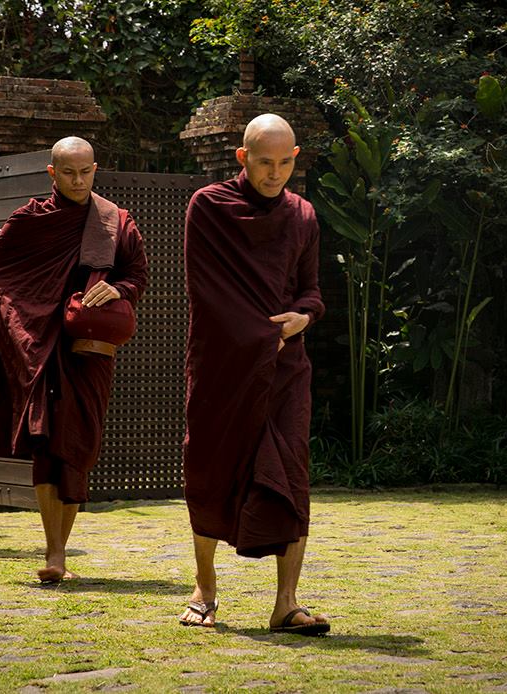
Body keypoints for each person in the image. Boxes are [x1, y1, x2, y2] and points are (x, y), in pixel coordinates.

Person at [0, 137, 148, 583]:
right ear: (52, 173)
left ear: (95, 169)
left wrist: (119, 290)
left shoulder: (115, 221)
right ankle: (55, 554)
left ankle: (60, 547)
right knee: (48, 447)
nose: (77, 180)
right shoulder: (32, 220)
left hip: (87, 353)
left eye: (85, 172)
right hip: (42, 350)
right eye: (67, 173)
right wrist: (26, 323)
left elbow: (137, 274)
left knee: (77, 446)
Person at [180, 114, 329, 635]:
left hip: (286, 368)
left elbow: (310, 291)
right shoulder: (209, 206)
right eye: (264, 162)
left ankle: (286, 602)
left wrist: (305, 317)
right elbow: (209, 290)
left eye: (285, 162)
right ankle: (205, 589)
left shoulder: (303, 215)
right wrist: (266, 334)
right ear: (242, 158)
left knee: (292, 471)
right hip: (222, 363)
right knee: (210, 468)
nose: (275, 173)